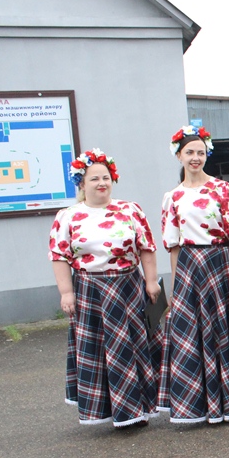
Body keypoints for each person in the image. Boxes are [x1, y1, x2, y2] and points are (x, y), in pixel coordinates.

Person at [158, 126, 229, 424]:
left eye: (200, 153)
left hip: (219, 262)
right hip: (190, 265)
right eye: (189, 152)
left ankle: (227, 403)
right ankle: (199, 405)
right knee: (191, 335)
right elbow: (174, 245)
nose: (195, 158)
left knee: (221, 331)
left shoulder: (223, 189)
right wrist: (177, 284)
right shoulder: (173, 197)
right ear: (179, 156)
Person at [49, 148, 162, 427]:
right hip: (90, 290)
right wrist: (66, 292)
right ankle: (108, 410)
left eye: (106, 177)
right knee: (101, 351)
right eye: (94, 179)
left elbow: (146, 247)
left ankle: (138, 410)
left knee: (133, 348)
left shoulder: (130, 210)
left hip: (127, 287)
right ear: (82, 184)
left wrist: (150, 281)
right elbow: (59, 256)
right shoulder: (68, 216)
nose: (102, 183)